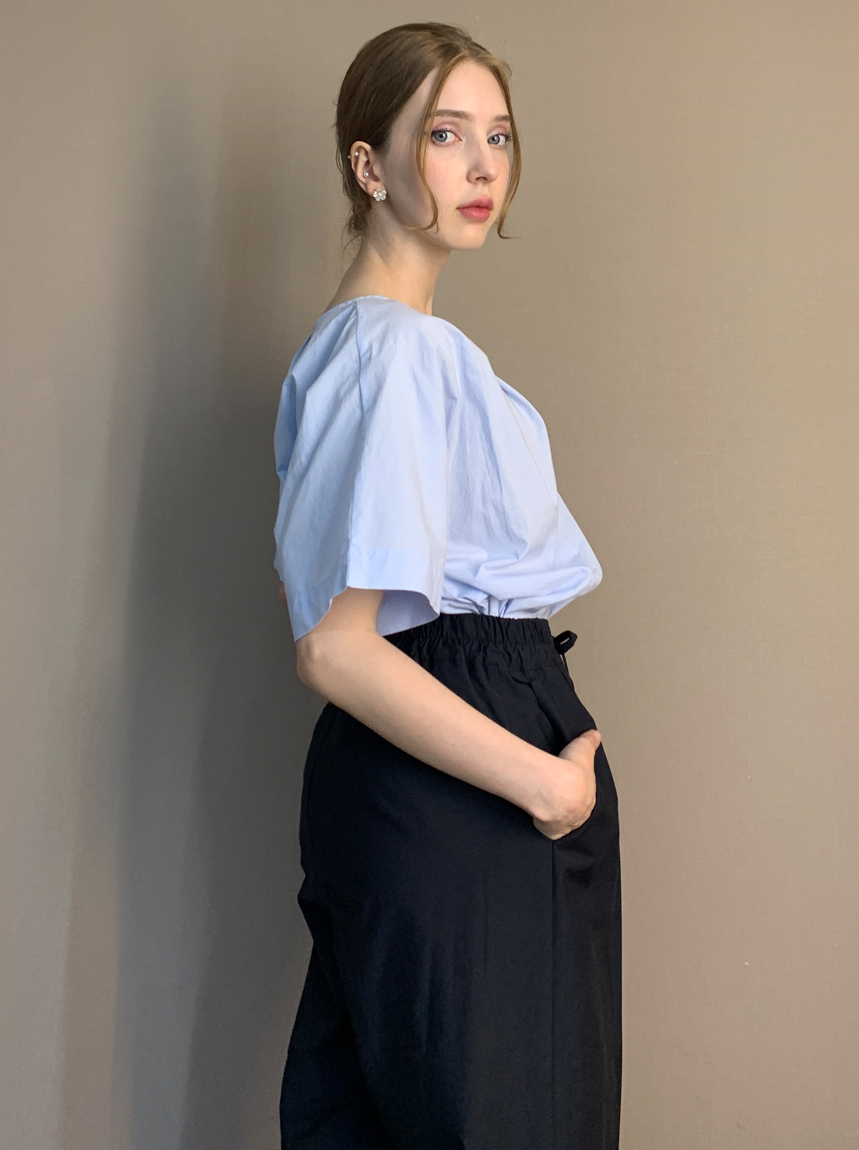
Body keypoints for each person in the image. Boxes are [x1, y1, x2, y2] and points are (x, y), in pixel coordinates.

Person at [272, 22, 621, 1149]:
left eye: (498, 137)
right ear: (369, 164)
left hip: (414, 785)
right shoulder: (394, 354)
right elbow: (335, 646)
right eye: (443, 134)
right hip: (466, 790)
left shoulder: (375, 346)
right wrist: (546, 786)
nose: (481, 166)